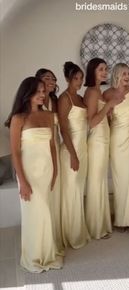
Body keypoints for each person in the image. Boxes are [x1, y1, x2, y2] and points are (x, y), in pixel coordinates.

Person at [5, 77, 63, 272]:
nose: (42, 94)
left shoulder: (49, 116)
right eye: (37, 91)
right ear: (27, 93)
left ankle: (48, 252)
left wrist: (55, 171)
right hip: (28, 174)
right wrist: (22, 181)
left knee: (46, 211)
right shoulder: (18, 118)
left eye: (43, 91)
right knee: (33, 214)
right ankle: (33, 256)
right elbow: (15, 151)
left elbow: (53, 146)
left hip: (46, 172)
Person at [104, 63, 129, 237]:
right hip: (115, 139)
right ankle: (121, 218)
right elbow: (104, 119)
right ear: (116, 75)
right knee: (120, 182)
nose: (127, 76)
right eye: (124, 74)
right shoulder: (107, 94)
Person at [84, 58, 122, 239]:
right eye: (101, 69)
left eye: (106, 69)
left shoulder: (99, 91)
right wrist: (108, 105)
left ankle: (101, 224)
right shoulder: (91, 92)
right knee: (96, 183)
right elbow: (91, 123)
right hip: (97, 141)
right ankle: (95, 227)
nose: (105, 72)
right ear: (92, 71)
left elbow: (100, 118)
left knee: (100, 182)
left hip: (104, 138)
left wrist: (109, 112)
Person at [58, 61, 90, 248]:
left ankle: (78, 231)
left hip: (83, 148)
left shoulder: (80, 99)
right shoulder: (65, 99)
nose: (79, 82)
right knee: (72, 192)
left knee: (78, 191)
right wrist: (73, 155)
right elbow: (63, 129)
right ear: (67, 79)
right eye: (76, 79)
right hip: (71, 151)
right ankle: (71, 235)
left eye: (81, 78)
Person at [35, 68, 64, 255]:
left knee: (55, 192)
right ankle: (40, 239)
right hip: (38, 153)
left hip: (55, 149)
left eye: (53, 78)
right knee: (41, 196)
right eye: (47, 78)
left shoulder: (55, 101)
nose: (52, 81)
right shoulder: (33, 103)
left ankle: (54, 235)